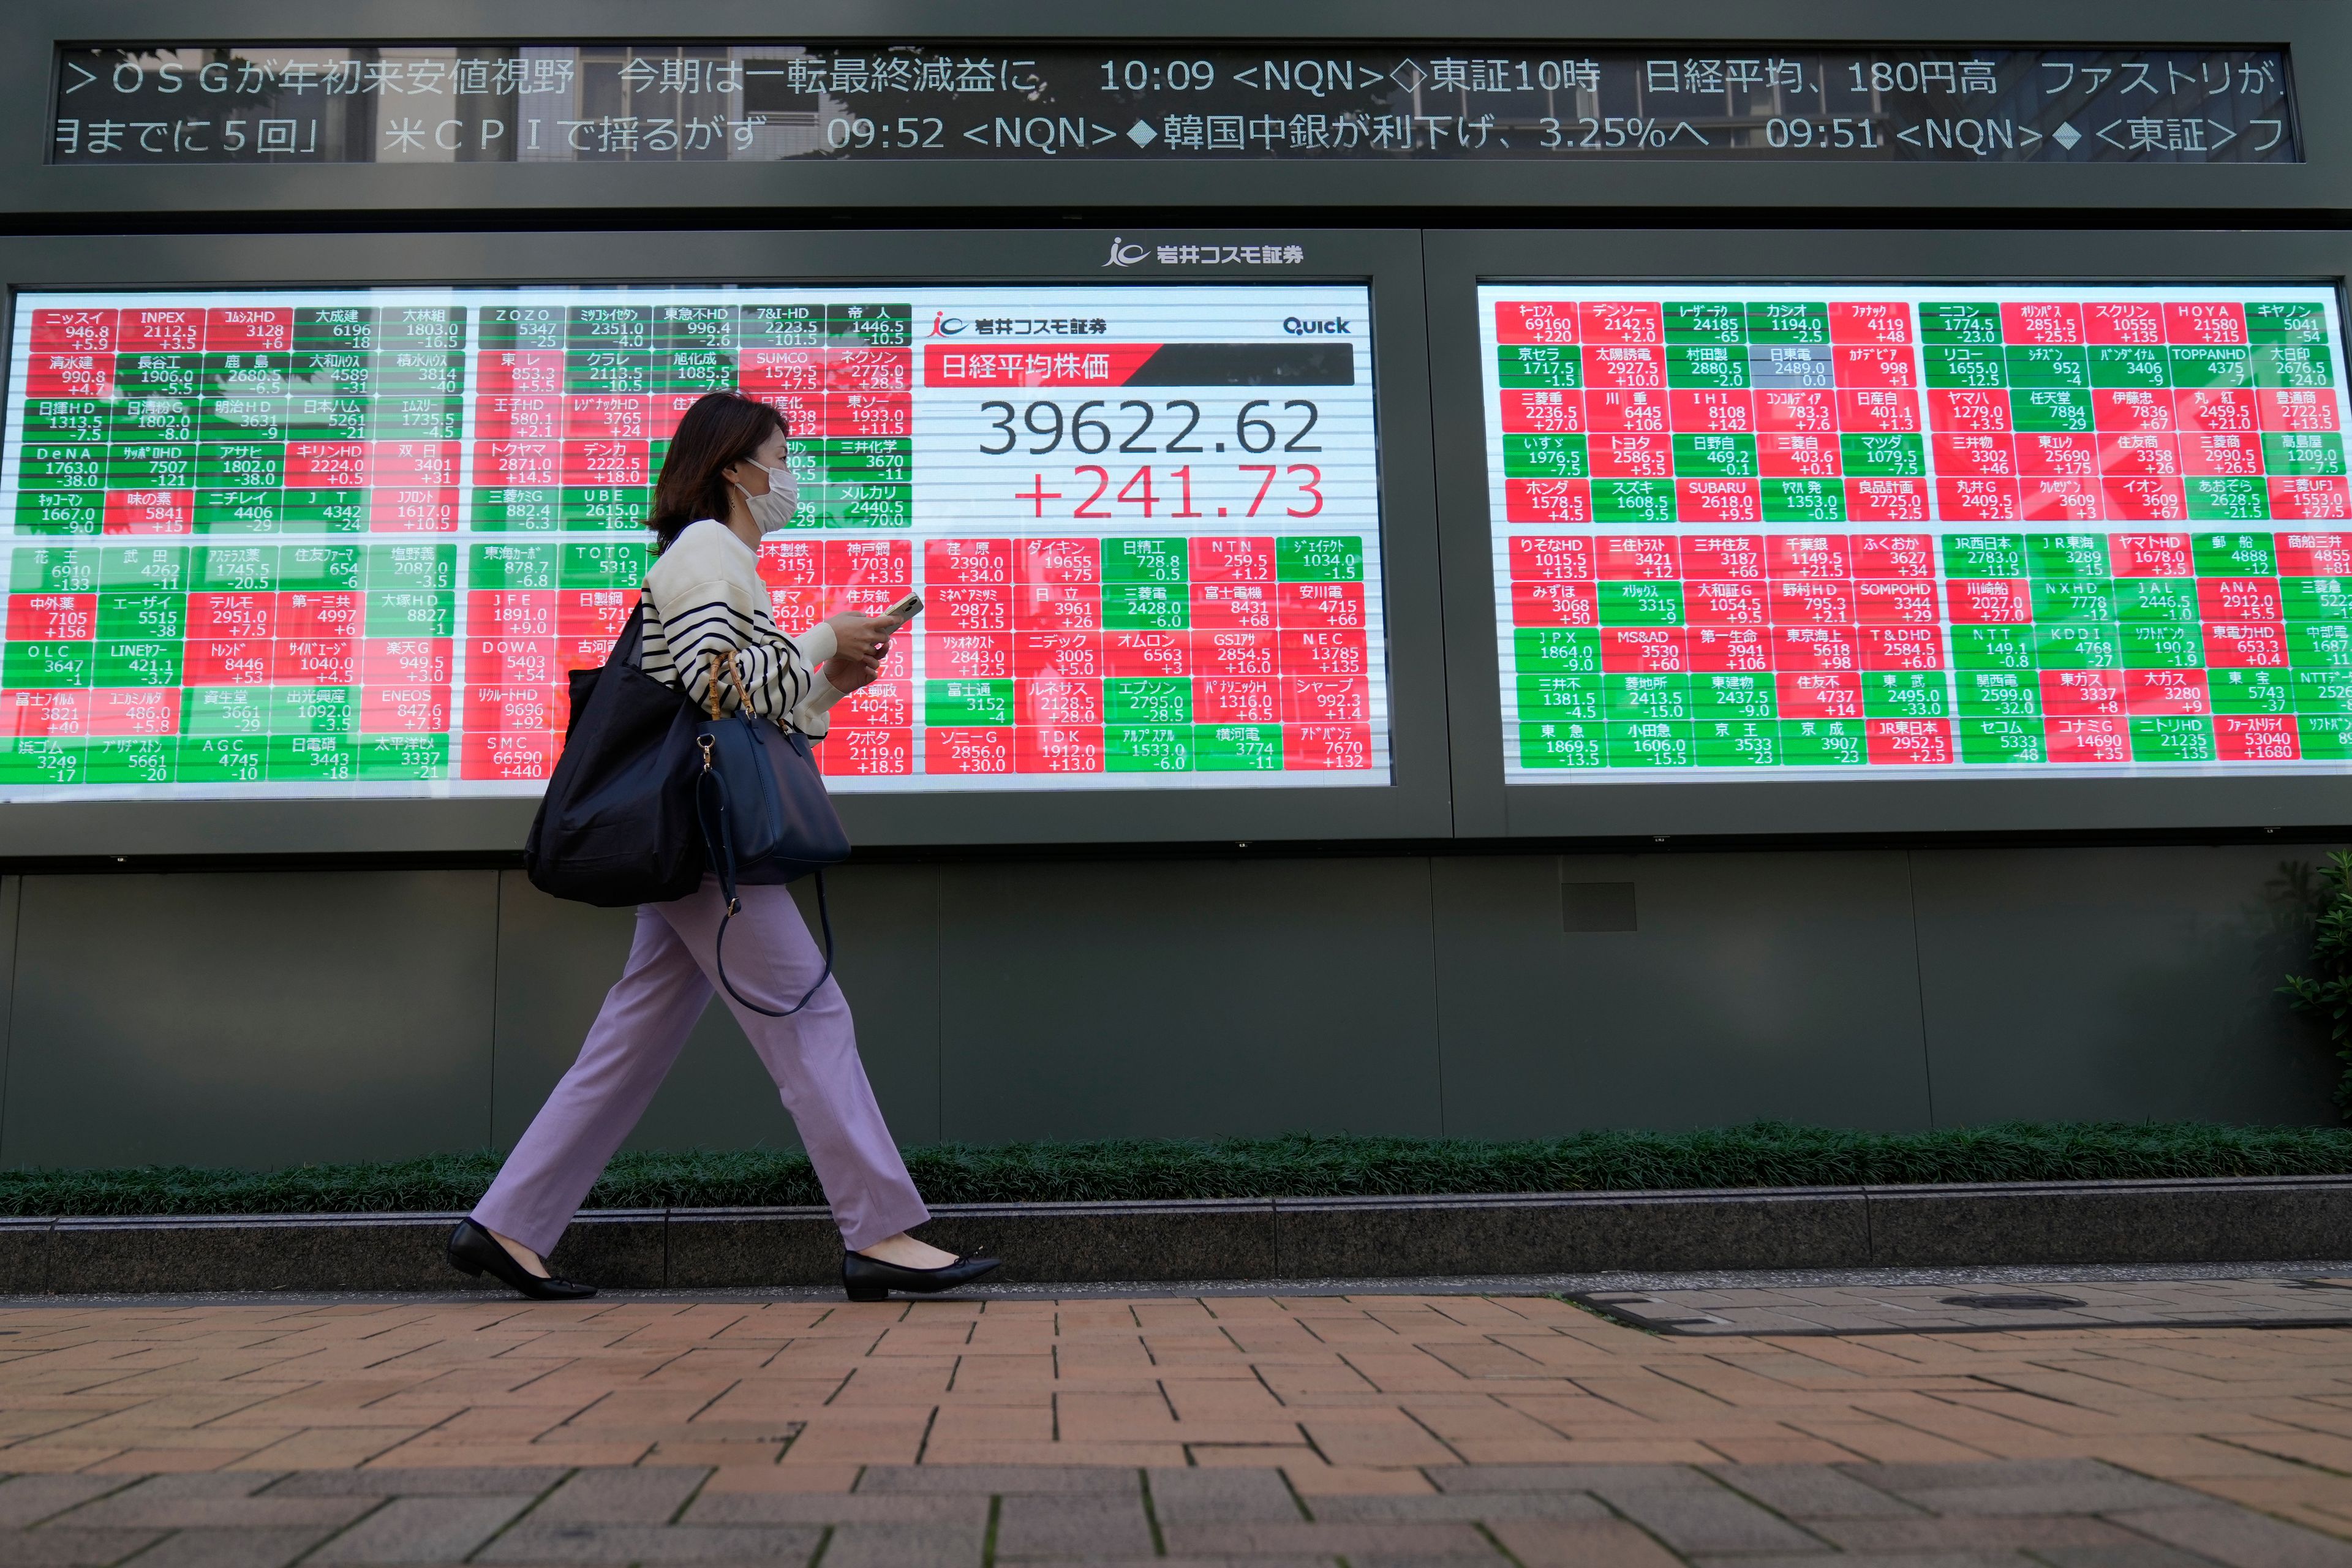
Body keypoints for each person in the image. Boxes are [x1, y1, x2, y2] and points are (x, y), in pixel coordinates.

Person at [448, 390, 999, 1304]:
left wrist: (830, 683)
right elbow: (715, 687)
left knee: (631, 1040)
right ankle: (881, 1234)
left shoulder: (725, 558)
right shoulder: (710, 548)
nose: (790, 475)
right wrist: (823, 635)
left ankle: (507, 1225)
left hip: (690, 838)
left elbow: (760, 715)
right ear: (734, 467)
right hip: (703, 844)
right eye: (781, 455)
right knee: (810, 1015)